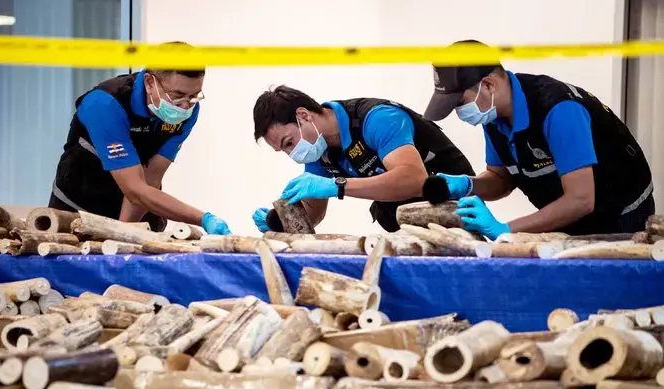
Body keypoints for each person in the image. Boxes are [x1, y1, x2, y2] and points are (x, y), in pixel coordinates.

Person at [423, 40, 654, 239]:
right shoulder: (494, 117)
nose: (459, 112)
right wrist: (467, 185)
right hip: (570, 218)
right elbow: (501, 178)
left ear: (489, 85)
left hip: (621, 216)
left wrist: (505, 230)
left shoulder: (559, 110)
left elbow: (581, 199)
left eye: (460, 103)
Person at [49, 43, 230, 234]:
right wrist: (203, 218)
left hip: (137, 205)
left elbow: (150, 181)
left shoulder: (186, 112)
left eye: (193, 96)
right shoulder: (105, 104)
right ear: (150, 82)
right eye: (177, 96)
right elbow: (135, 190)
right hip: (79, 205)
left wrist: (123, 235)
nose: (185, 106)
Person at [251, 85, 474, 232]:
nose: (293, 154)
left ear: (303, 116)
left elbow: (415, 181)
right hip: (408, 221)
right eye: (285, 151)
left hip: (456, 207)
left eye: (289, 143)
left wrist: (338, 186)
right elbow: (314, 213)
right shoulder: (318, 150)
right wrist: (282, 220)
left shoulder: (378, 118)